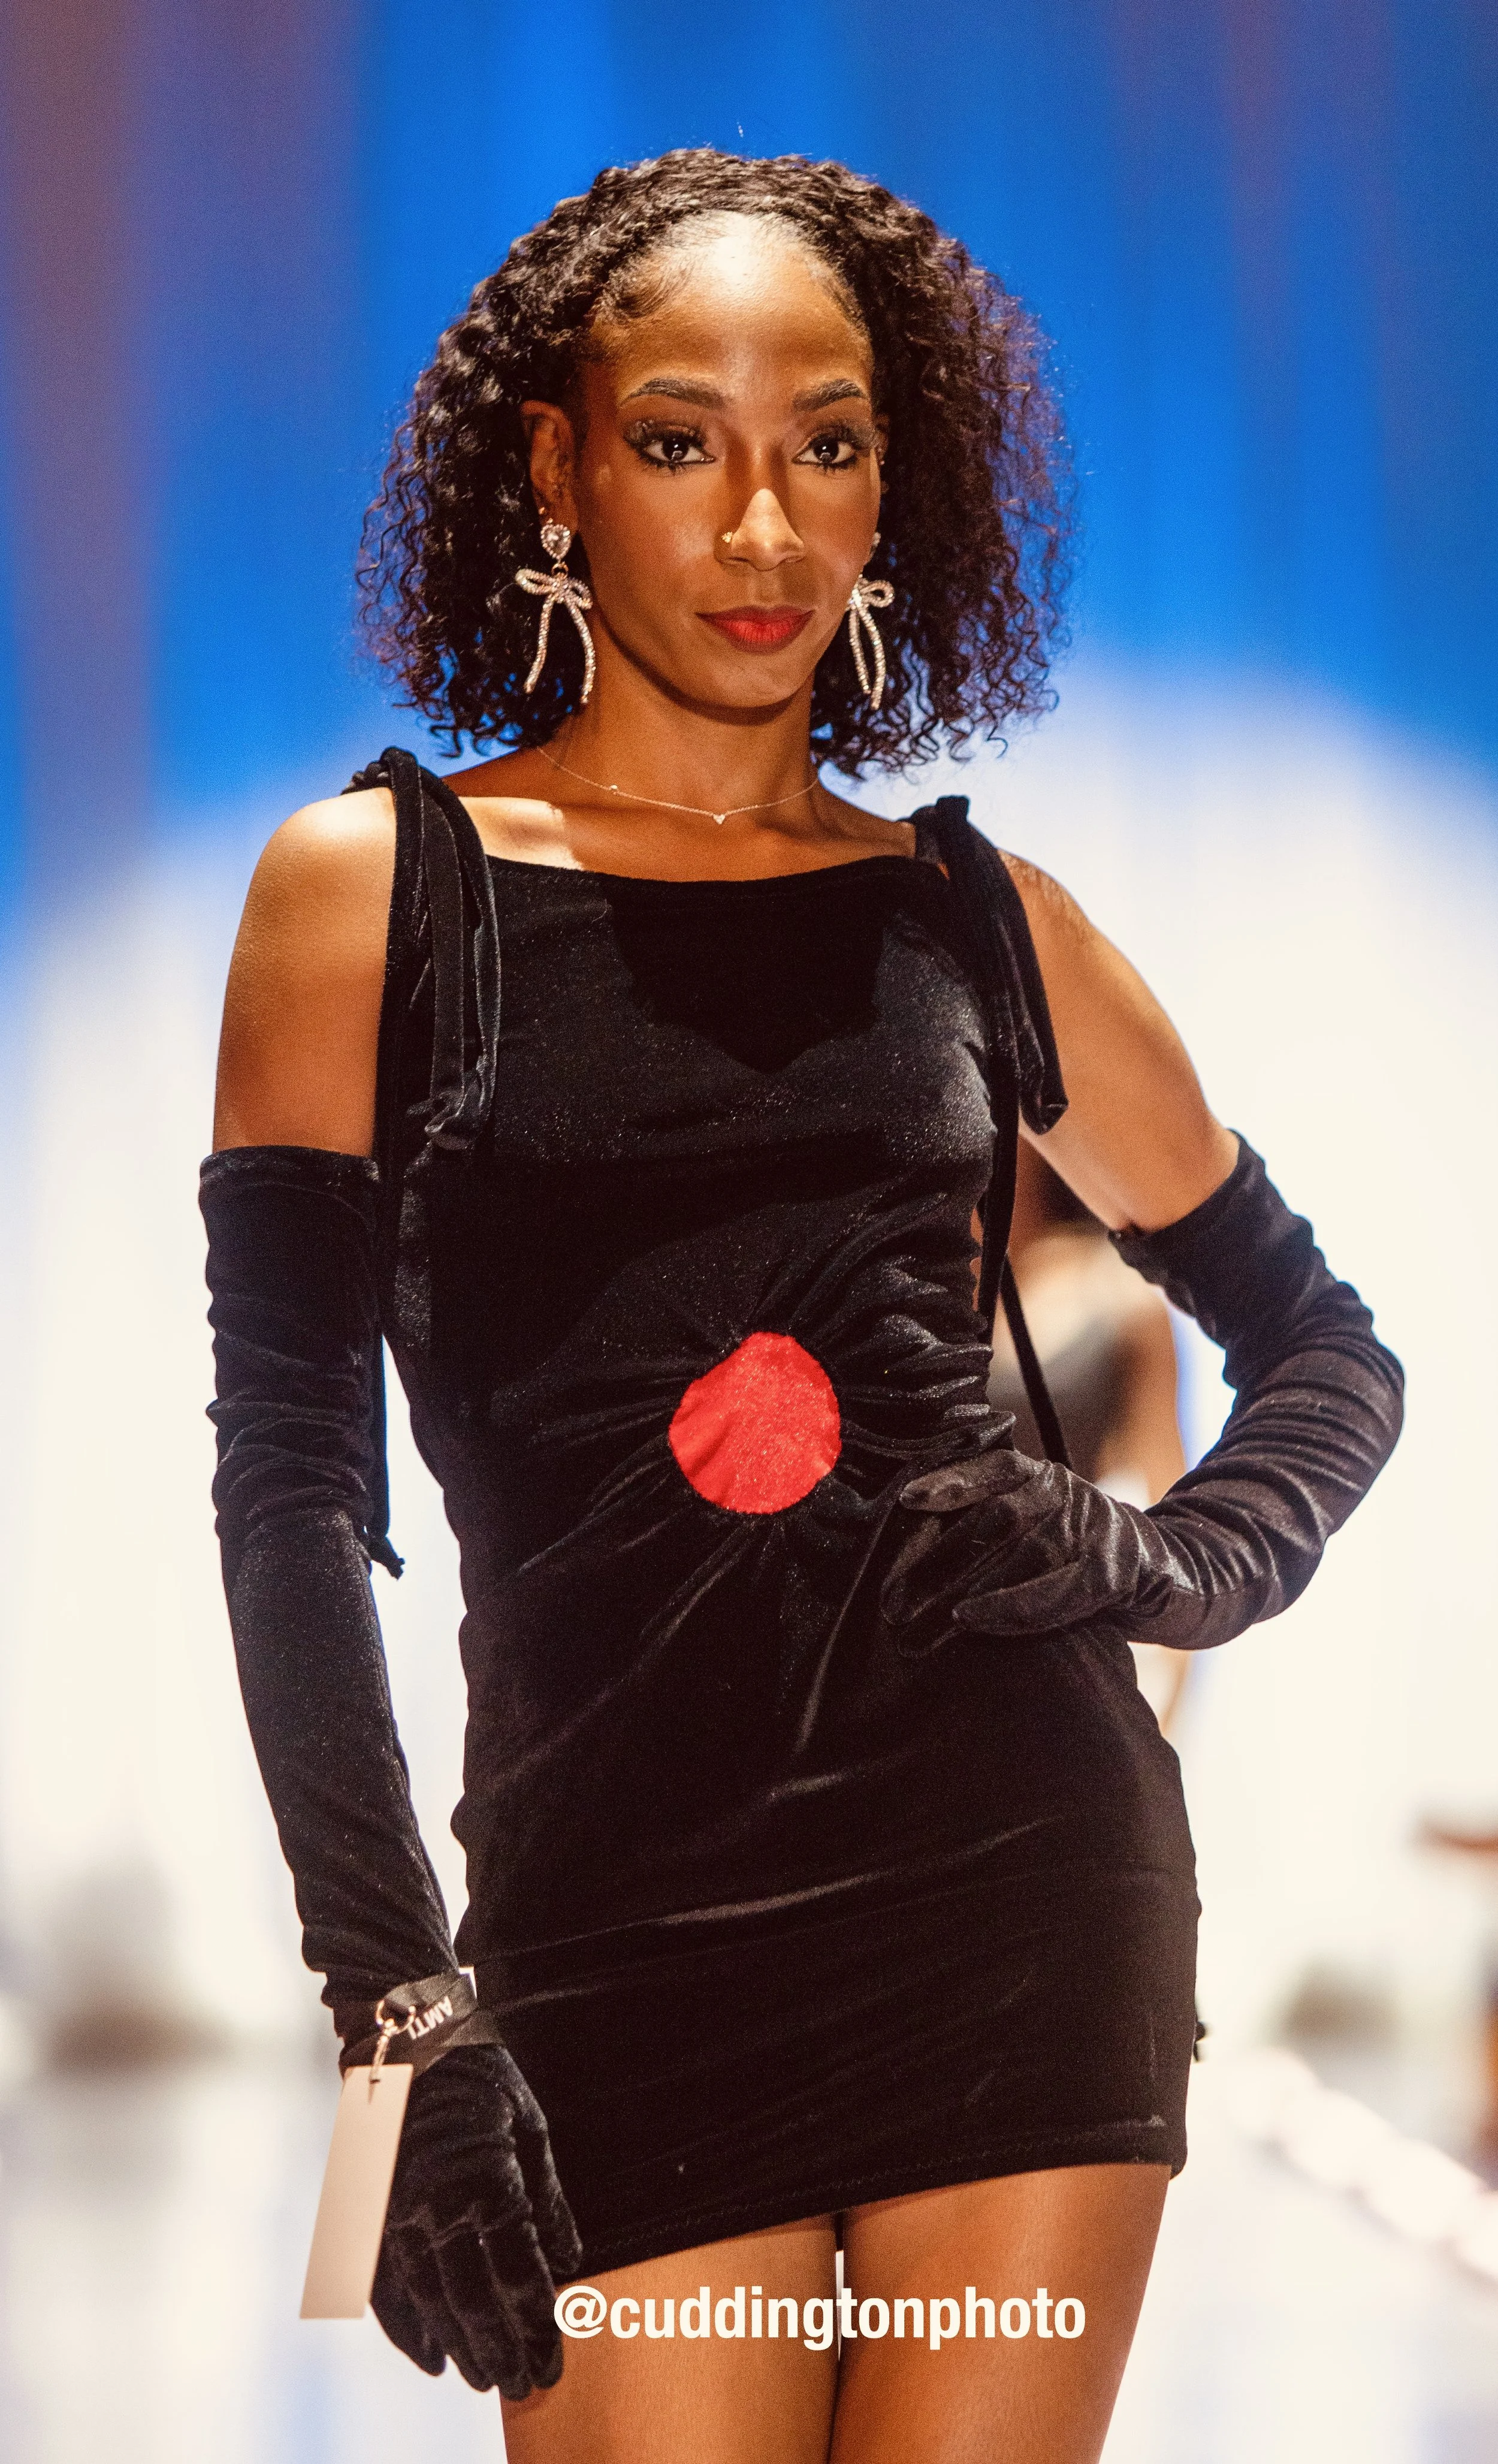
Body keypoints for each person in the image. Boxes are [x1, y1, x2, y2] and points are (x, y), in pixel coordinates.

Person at [200, 150, 1404, 2464]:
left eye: (826, 443)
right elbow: (287, 1499)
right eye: (680, 439)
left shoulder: (975, 919)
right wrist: (396, 1998)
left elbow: (1327, 1344)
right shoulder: (372, 895)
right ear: (556, 468)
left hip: (1019, 1881)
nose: (760, 522)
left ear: (891, 488)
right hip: (605, 1921)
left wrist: (1168, 1560)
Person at [989, 1141, 1194, 1733]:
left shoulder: (1115, 1291)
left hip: (1068, 1640)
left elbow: (1167, 1499)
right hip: (934, 1646)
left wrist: (1165, 1712)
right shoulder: (923, 1290)